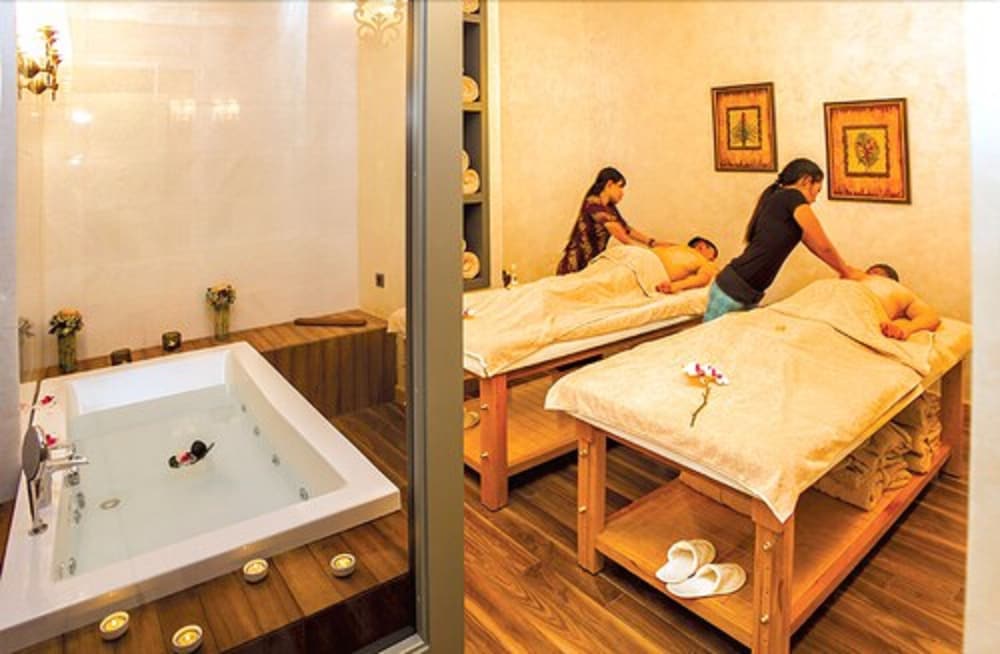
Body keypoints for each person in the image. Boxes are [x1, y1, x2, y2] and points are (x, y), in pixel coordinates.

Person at [705, 158, 864, 322]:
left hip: (747, 292)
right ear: (806, 181)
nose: (815, 199)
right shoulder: (792, 196)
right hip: (732, 289)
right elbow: (824, 246)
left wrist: (844, 269)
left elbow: (816, 246)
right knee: (710, 338)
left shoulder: (780, 200)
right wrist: (847, 272)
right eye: (817, 191)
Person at [556, 167, 669, 275]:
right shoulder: (593, 203)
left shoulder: (609, 207)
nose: (622, 192)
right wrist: (646, 253)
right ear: (609, 184)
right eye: (620, 187)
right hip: (574, 267)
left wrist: (651, 242)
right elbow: (618, 231)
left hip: (589, 266)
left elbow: (626, 229)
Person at [861, 263, 940, 340]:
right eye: (868, 272)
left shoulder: (902, 293)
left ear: (893, 281)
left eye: (876, 272)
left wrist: (905, 329)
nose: (871, 275)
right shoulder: (861, 278)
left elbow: (930, 317)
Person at [651, 236, 719, 294]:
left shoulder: (706, 262)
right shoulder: (679, 247)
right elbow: (652, 242)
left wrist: (675, 286)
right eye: (695, 245)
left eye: (707, 247)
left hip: (655, 269)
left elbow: (703, 278)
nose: (701, 246)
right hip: (648, 254)